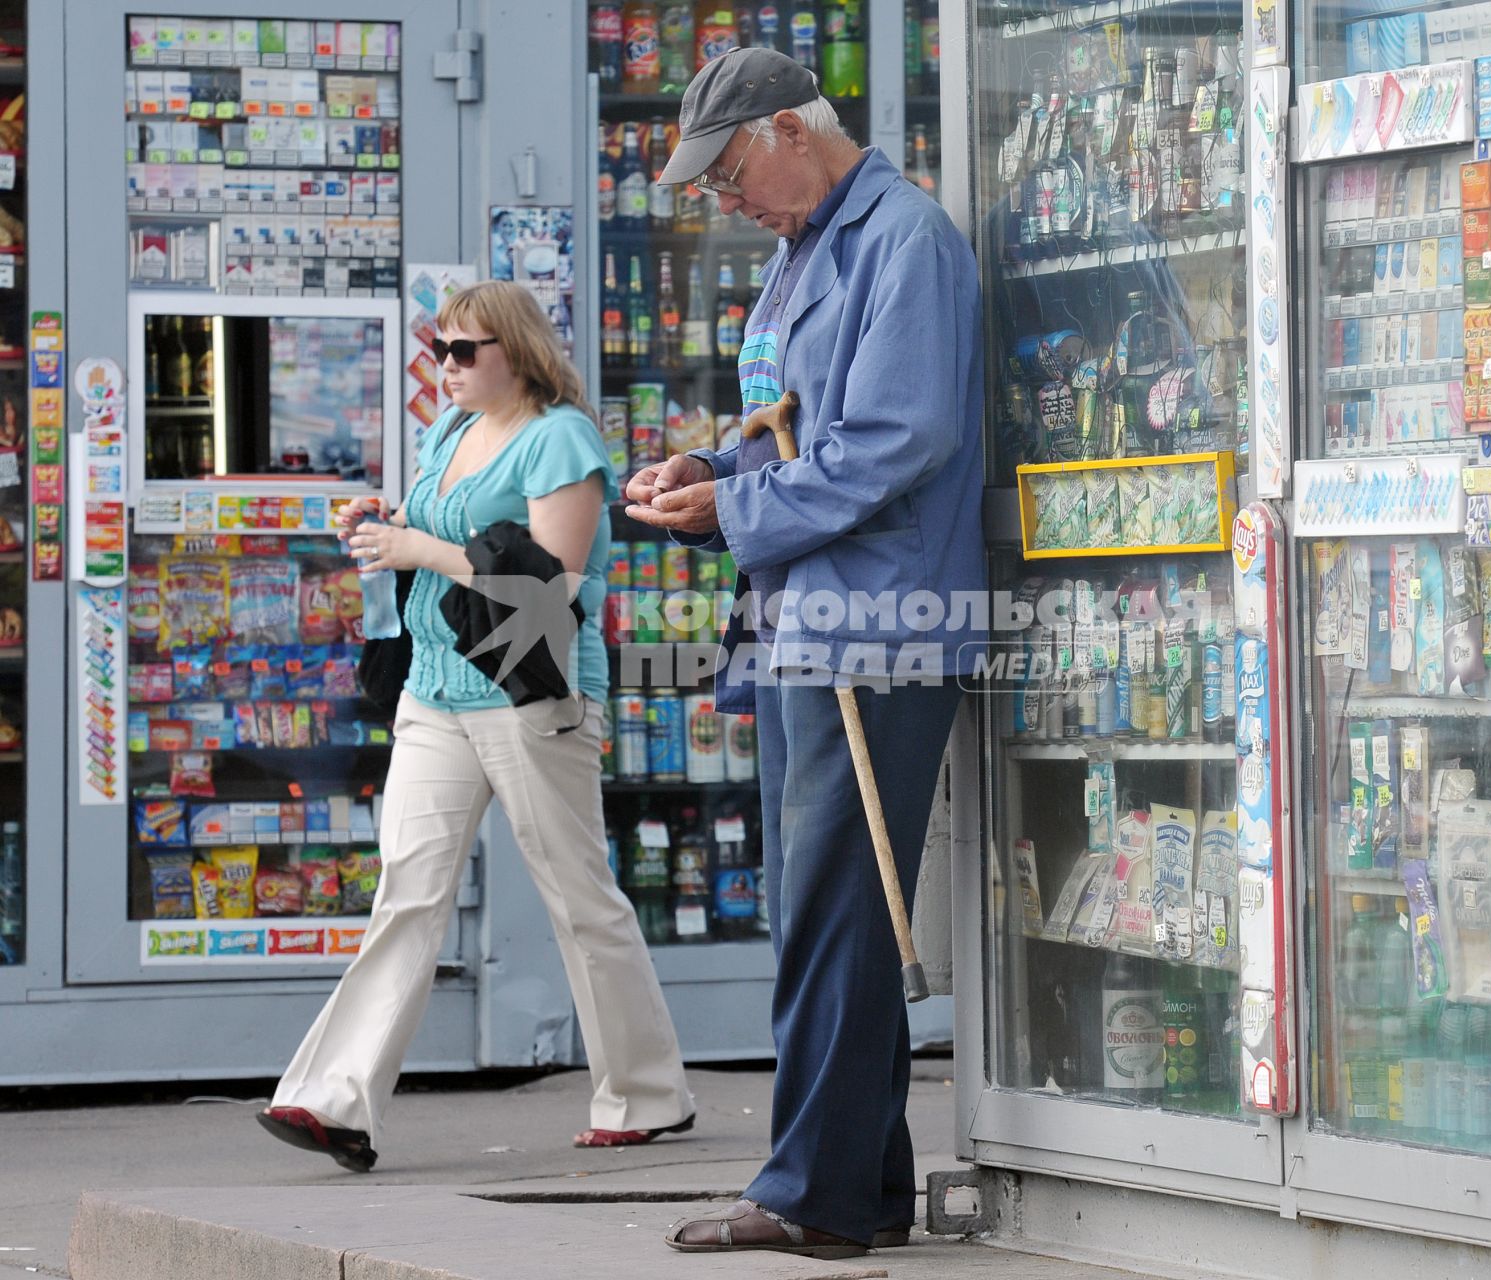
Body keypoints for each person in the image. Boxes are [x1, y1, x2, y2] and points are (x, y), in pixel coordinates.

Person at [626, 49, 985, 1260]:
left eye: (731, 173)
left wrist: (735, 506)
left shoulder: (905, 240)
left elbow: (897, 435)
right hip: (810, 612)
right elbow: (792, 431)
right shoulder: (800, 253)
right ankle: (860, 1181)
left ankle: (808, 1192)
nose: (728, 201)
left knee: (834, 902)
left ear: (790, 128)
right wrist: (711, 474)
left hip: (881, 622)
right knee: (823, 904)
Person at [257, 281, 695, 1171]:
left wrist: (421, 549)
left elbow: (556, 584)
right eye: (439, 348)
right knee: (405, 895)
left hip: (530, 695)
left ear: (519, 352)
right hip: (434, 689)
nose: (446, 366)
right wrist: (385, 522)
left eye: (466, 350)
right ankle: (334, 1102)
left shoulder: (559, 438)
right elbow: (435, 529)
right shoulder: (448, 432)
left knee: (578, 897)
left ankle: (646, 1094)